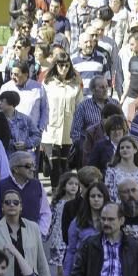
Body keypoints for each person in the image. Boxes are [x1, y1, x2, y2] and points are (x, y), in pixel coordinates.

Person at [41, 54, 82, 187]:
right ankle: (55, 192)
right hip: (51, 130)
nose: (63, 68)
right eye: (60, 65)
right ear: (55, 66)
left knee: (65, 166)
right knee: (54, 165)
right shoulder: (47, 84)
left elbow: (79, 108)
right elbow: (42, 106)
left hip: (68, 131)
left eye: (66, 65)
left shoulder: (75, 85)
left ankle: (63, 194)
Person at [104, 134, 138, 205]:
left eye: (128, 147)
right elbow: (109, 196)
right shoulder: (111, 171)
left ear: (135, 150)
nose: (125, 149)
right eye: (122, 148)